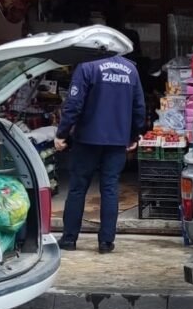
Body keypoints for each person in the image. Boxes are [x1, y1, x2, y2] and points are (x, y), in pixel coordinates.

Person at [55, 46, 146, 254]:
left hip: (87, 140)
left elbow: (73, 104)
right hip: (116, 141)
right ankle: (106, 242)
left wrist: (62, 134)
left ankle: (69, 239)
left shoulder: (87, 66)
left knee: (78, 188)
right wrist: (133, 135)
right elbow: (139, 107)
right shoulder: (130, 70)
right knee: (110, 188)